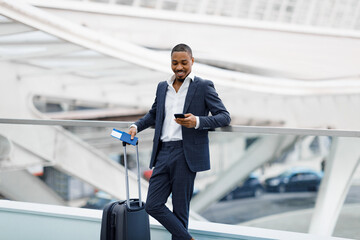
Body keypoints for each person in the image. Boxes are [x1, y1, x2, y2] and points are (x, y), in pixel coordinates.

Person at [128, 43, 230, 240]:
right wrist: (136, 126)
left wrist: (197, 121)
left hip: (186, 154)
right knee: (153, 204)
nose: (179, 67)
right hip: (163, 152)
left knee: (181, 210)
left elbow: (224, 116)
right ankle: (188, 239)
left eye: (184, 62)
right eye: (175, 63)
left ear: (192, 61)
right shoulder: (162, 87)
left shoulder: (203, 86)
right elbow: (154, 114)